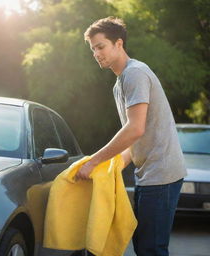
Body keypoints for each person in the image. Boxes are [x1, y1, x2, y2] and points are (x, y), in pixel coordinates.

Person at [75, 17, 187, 256]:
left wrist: (94, 160)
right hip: (149, 173)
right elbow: (133, 137)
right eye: (93, 49)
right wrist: (111, 166)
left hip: (162, 173)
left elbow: (135, 129)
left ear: (118, 43)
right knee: (144, 245)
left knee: (151, 249)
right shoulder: (120, 82)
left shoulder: (135, 74)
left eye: (101, 46)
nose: (96, 53)